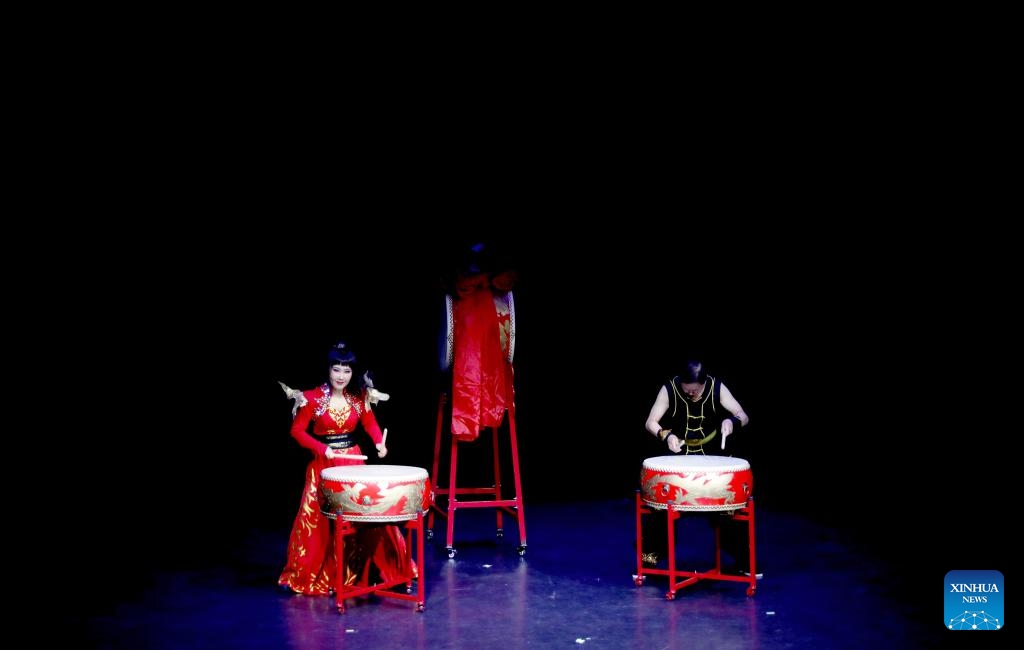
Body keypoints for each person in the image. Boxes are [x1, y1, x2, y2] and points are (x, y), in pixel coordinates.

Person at [277, 341, 411, 595]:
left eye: (346, 371)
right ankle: (320, 575)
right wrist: (322, 448)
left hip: (353, 464)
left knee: (365, 518)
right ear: (328, 370)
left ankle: (366, 572)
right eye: (336, 369)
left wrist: (379, 443)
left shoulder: (359, 398)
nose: (341, 376)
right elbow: (296, 431)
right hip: (324, 466)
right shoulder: (313, 398)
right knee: (319, 523)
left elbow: (370, 423)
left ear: (352, 373)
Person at [641, 359, 757, 575]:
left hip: (712, 458)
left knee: (730, 510)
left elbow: (743, 415)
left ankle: (744, 561)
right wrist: (666, 435)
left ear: (704, 383)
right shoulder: (670, 389)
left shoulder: (717, 387)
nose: (691, 394)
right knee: (660, 510)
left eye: (695, 390)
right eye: (687, 390)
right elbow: (651, 422)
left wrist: (732, 421)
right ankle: (647, 562)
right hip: (679, 459)